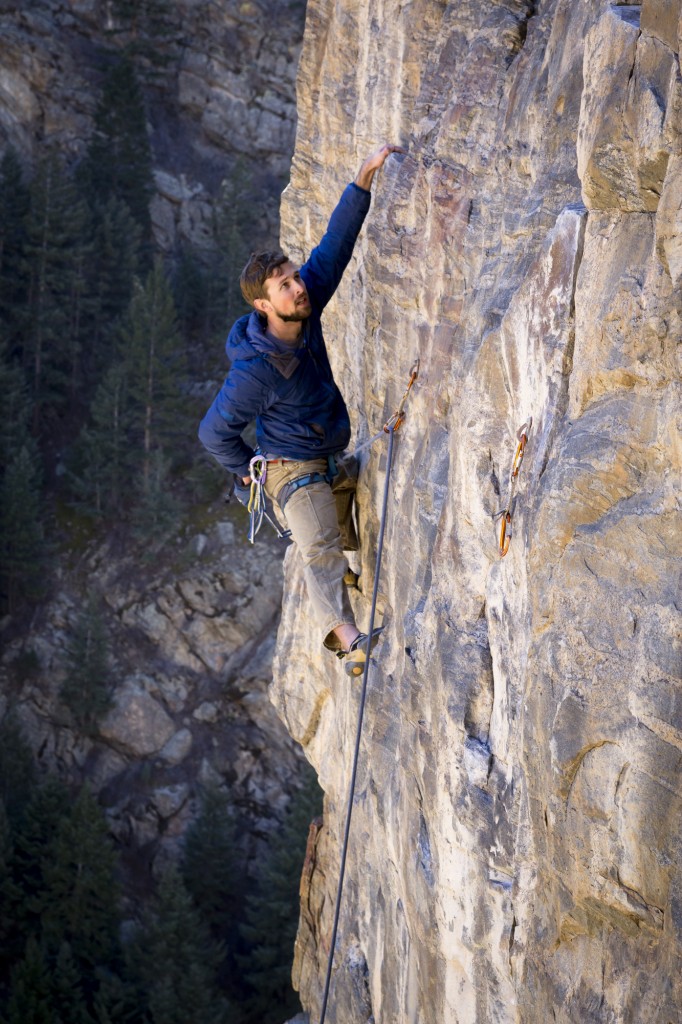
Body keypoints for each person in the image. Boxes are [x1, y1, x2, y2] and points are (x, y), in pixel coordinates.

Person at [198, 144, 405, 676]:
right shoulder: (256, 372)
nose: (297, 288)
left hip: (327, 450)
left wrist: (361, 181)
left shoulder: (304, 305)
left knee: (338, 534)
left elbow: (334, 249)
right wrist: (247, 472)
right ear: (262, 306)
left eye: (293, 277)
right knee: (318, 549)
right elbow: (213, 432)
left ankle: (347, 583)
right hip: (292, 466)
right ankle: (347, 640)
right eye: (284, 286)